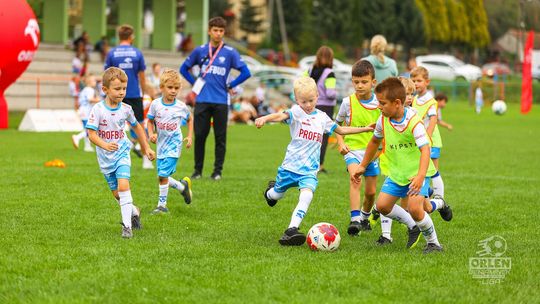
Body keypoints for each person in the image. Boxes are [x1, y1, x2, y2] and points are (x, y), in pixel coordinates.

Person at [255, 76, 374, 246]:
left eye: (311, 100)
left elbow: (340, 129)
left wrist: (365, 129)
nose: (308, 105)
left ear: (317, 96)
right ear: (297, 100)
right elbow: (280, 116)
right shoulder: (296, 112)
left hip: (309, 170)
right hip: (290, 167)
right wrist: (265, 118)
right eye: (304, 101)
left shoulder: (322, 117)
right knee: (276, 195)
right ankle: (270, 192)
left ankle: (291, 230)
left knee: (307, 195)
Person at [353, 77, 444, 254]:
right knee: (382, 206)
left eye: (382, 103)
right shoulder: (383, 119)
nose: (379, 106)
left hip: (417, 172)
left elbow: (426, 150)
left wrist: (420, 176)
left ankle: (433, 243)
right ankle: (412, 226)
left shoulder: (413, 121)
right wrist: (363, 165)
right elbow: (374, 141)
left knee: (416, 209)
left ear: (396, 103)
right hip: (397, 172)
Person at [86, 67, 156, 238]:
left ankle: (127, 228)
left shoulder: (126, 109)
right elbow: (91, 135)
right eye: (117, 89)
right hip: (105, 157)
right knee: (118, 194)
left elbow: (137, 127)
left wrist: (146, 147)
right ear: (105, 90)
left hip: (122, 152)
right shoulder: (98, 110)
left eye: (124, 88)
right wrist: (104, 144)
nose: (121, 92)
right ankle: (134, 211)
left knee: (124, 186)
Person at [180, 17, 251, 180]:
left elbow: (246, 72)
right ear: (209, 31)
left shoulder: (230, 52)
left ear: (224, 32)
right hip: (202, 100)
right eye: (215, 30)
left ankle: (217, 172)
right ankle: (197, 171)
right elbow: (184, 69)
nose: (218, 34)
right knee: (200, 136)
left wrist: (232, 84)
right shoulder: (200, 50)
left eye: (221, 31)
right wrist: (194, 83)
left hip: (221, 101)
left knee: (220, 138)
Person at [334, 60, 380, 236]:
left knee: (371, 193)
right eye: (356, 82)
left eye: (364, 82)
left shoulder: (380, 104)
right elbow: (336, 125)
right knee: (355, 178)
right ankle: (354, 220)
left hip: (373, 153)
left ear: (373, 82)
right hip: (352, 150)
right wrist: (341, 142)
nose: (359, 86)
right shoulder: (347, 103)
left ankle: (365, 217)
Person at [104, 24, 152, 169]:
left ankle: (112, 159)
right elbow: (142, 77)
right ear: (132, 37)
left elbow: (107, 76)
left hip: (114, 94)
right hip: (132, 93)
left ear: (119, 37)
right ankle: (146, 158)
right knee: (139, 126)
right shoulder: (137, 53)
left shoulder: (112, 53)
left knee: (112, 127)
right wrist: (143, 93)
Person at [146, 69, 194, 214]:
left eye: (176, 88)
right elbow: (149, 121)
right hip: (161, 145)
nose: (173, 91)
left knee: (162, 176)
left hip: (174, 145)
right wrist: (151, 133)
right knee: (162, 175)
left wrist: (190, 136)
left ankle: (162, 206)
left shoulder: (180, 106)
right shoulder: (155, 104)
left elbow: (190, 119)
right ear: (161, 87)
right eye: (170, 87)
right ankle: (182, 187)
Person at [410, 67, 452, 218]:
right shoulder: (413, 100)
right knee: (422, 170)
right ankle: (427, 194)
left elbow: (433, 120)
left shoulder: (431, 101)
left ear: (427, 82)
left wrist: (426, 137)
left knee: (432, 170)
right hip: (419, 142)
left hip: (431, 141)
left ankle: (440, 199)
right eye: (413, 81)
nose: (416, 84)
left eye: (419, 81)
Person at [306, 46, 337, 173]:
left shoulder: (309, 70)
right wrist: (336, 93)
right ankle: (320, 165)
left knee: (310, 135)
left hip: (311, 105)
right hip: (326, 106)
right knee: (323, 137)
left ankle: (308, 162)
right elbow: (330, 93)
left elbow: (303, 85)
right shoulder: (329, 73)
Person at [72, 74, 100, 152]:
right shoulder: (89, 90)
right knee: (90, 130)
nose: (95, 82)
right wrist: (99, 100)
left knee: (88, 129)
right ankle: (77, 137)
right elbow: (90, 99)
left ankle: (87, 146)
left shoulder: (84, 89)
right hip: (86, 112)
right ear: (89, 82)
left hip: (82, 110)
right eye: (94, 80)